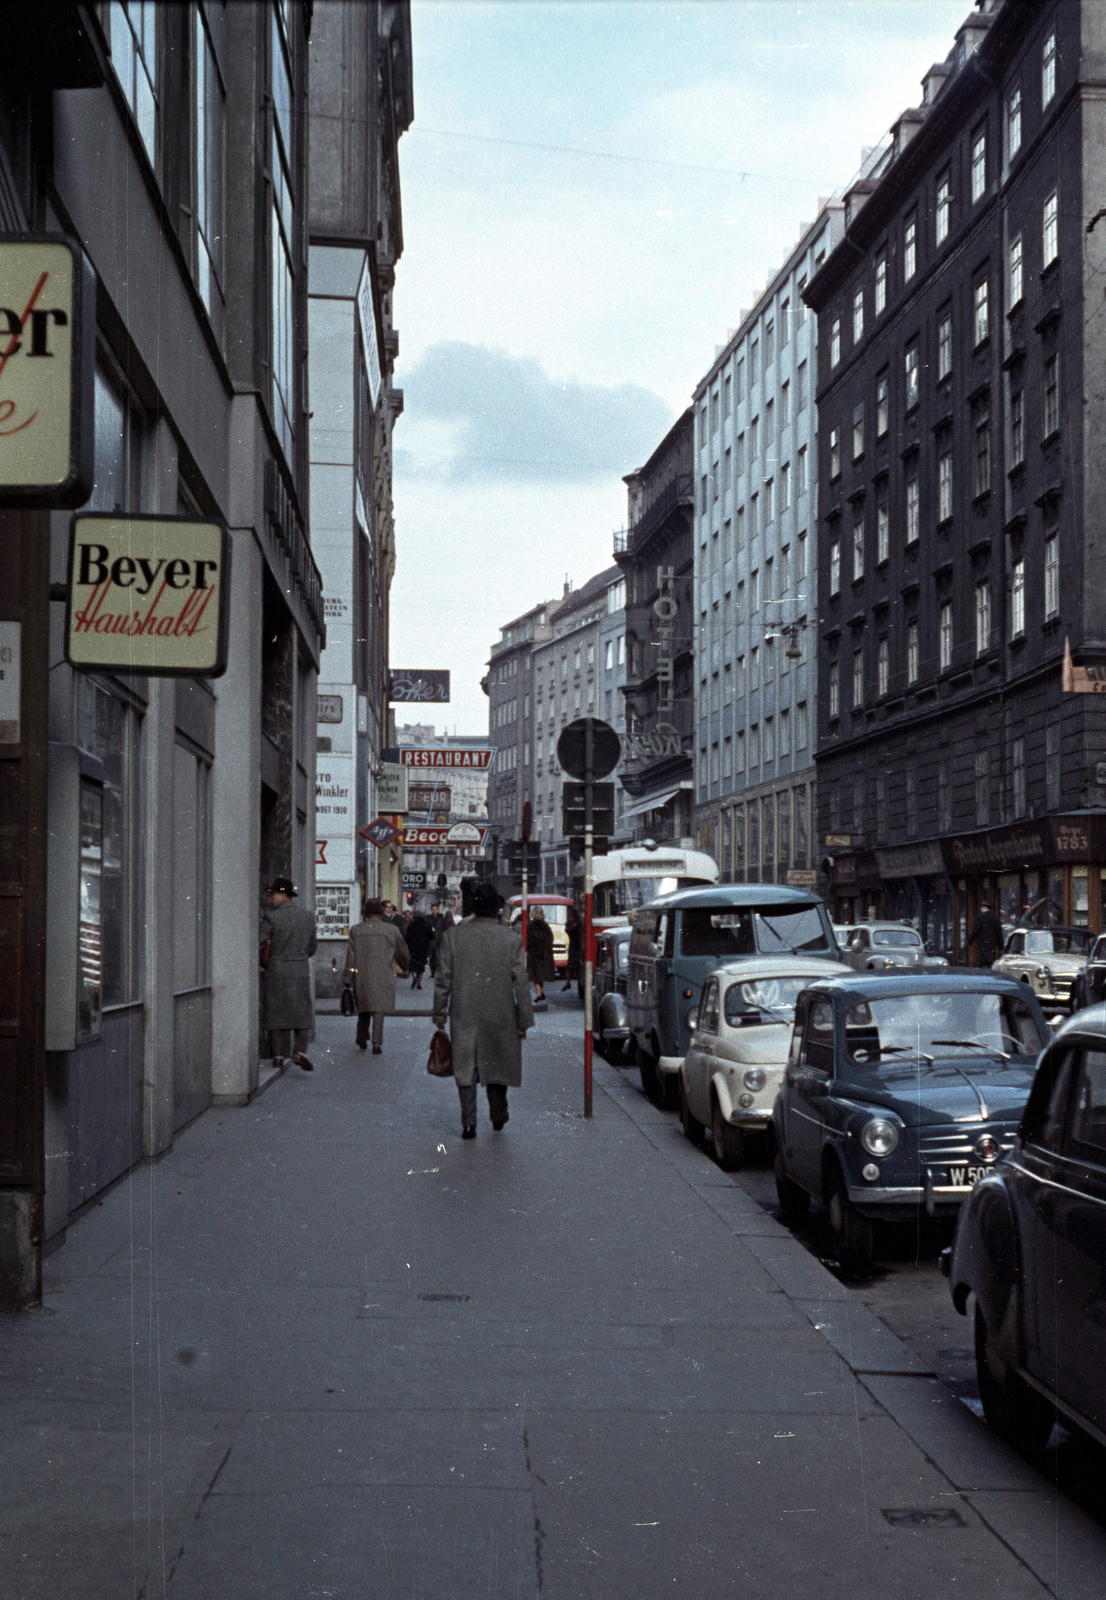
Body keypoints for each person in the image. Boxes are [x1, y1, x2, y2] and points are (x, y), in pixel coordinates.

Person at [433, 880, 534, 1138]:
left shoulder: (452, 937)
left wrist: (439, 1014)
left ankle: (469, 1124)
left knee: (465, 1067)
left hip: (464, 1012)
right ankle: (498, 1115)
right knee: (497, 1064)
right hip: (501, 1014)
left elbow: (443, 979)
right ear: (496, 909)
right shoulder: (511, 940)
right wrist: (524, 1019)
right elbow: (521, 983)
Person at [260, 877, 318, 1071]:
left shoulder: (271, 917)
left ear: (283, 895)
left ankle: (277, 1056)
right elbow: (312, 947)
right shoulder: (308, 916)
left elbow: (261, 940)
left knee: (276, 1012)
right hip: (299, 968)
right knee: (301, 1011)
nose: (270, 898)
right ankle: (300, 1052)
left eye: (272, 894)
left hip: (276, 969)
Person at [343, 898, 410, 1053]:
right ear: (381, 913)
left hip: (362, 975)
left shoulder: (356, 930)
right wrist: (405, 967)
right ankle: (377, 1042)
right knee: (379, 1009)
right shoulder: (391, 930)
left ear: (366, 913)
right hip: (384, 974)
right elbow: (402, 952)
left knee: (364, 1007)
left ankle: (361, 1037)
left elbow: (351, 958)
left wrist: (348, 978)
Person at [526, 905, 556, 1004]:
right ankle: (541, 992)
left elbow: (527, 940)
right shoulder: (546, 926)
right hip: (544, 954)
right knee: (541, 974)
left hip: (533, 953)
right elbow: (550, 939)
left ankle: (538, 993)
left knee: (535, 975)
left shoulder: (529, 926)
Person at [967, 901, 1004, 968]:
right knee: (991, 960)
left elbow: (975, 931)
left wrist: (969, 941)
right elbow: (999, 933)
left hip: (982, 943)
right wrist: (1000, 947)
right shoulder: (995, 919)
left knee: (983, 962)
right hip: (992, 944)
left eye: (981, 907)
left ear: (984, 907)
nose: (981, 909)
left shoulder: (979, 918)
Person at [405, 909, 434, 989]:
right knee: (421, 965)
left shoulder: (411, 924)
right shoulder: (426, 924)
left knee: (413, 964)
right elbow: (432, 936)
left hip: (413, 948)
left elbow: (407, 937)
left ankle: (414, 977)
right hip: (423, 948)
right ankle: (418, 980)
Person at [563, 905, 581, 991]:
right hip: (573, 947)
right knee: (569, 966)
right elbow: (568, 930)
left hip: (580, 946)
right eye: (569, 917)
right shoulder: (569, 924)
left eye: (571, 917)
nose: (570, 918)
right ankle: (567, 982)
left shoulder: (580, 923)